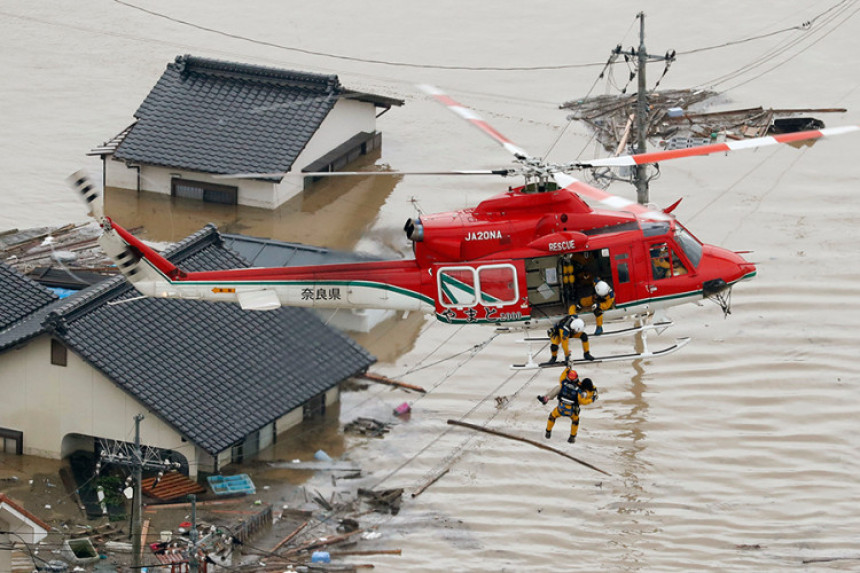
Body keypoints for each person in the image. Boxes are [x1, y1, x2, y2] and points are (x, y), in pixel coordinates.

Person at [537, 367, 598, 443]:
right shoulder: (579, 390)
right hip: (572, 412)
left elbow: (562, 376)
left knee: (552, 416)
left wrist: (567, 368)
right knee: (575, 421)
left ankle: (548, 432)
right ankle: (572, 437)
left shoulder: (563, 383)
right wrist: (593, 398)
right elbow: (583, 401)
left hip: (560, 409)